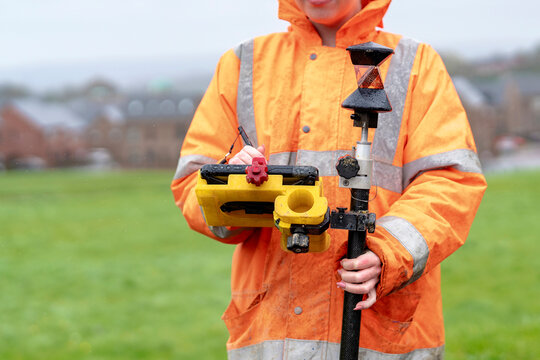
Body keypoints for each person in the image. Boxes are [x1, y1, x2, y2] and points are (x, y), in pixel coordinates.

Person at [171, 0, 487, 359]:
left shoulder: (415, 64)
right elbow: (192, 184)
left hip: (381, 335)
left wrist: (389, 253)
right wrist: (235, 183)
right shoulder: (243, 63)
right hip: (270, 337)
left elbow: (451, 181)